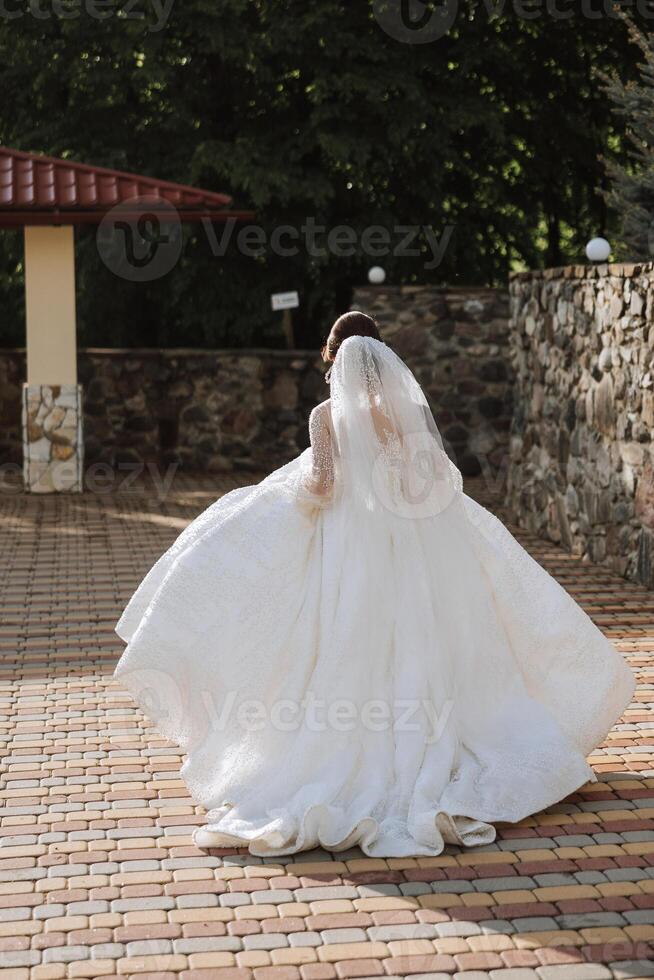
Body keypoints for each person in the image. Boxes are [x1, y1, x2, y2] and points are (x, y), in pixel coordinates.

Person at [114, 311, 635, 858]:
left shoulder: (327, 417)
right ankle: (439, 745)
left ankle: (355, 750)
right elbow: (435, 478)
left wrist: (288, 488)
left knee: (346, 646)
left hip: (348, 551)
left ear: (331, 357)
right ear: (382, 355)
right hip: (414, 548)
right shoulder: (408, 411)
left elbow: (320, 485)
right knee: (422, 642)